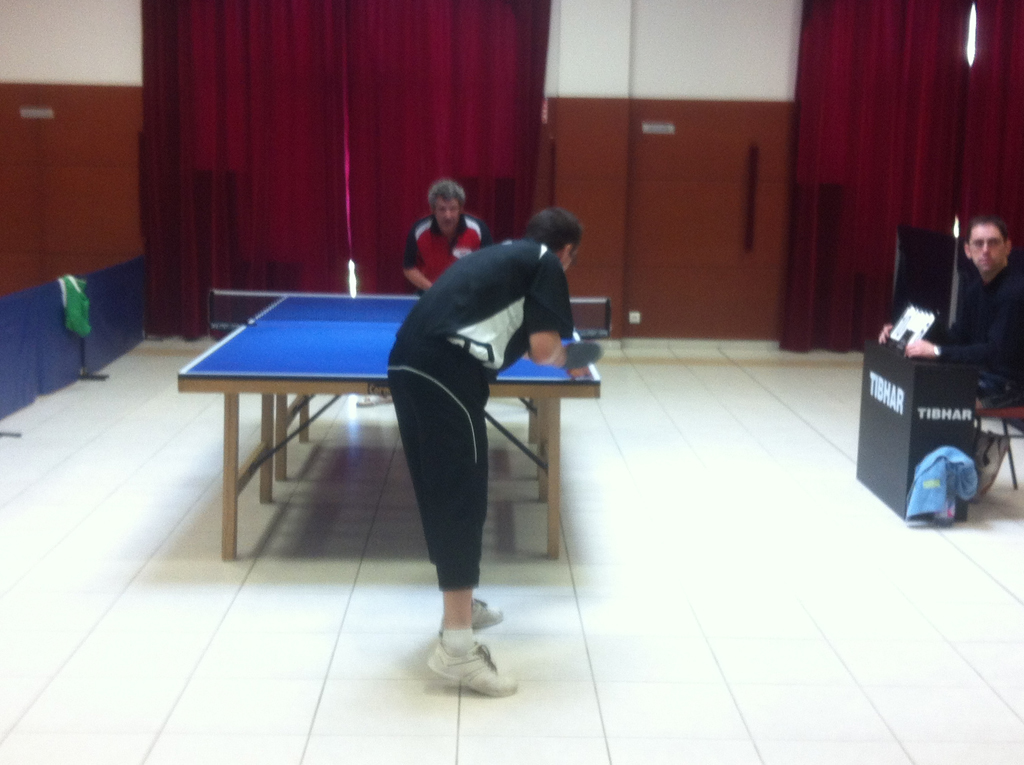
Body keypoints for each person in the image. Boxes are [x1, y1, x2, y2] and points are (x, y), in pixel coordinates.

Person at [386, 208, 600, 696]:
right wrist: (571, 358)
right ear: (567, 250)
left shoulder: (500, 257)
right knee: (462, 500)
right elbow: (543, 349)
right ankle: (457, 649)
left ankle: (461, 608)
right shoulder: (546, 261)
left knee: (443, 494)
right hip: (446, 372)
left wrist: (556, 355)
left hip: (406, 363)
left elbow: (516, 341)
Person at [880, 215, 1024, 493]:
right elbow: (958, 337)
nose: (985, 250)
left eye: (993, 243)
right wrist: (906, 332)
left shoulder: (1016, 293)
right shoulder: (975, 288)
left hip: (1011, 384)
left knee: (938, 394)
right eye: (978, 243)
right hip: (985, 373)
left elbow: (993, 353)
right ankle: (950, 464)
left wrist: (937, 351)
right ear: (967, 250)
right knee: (923, 380)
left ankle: (956, 470)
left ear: (1008, 247)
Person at [402, 178, 493, 292]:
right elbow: (409, 267)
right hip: (430, 293)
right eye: (442, 209)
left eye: (453, 209)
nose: (447, 216)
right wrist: (433, 289)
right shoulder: (418, 231)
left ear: (461, 209)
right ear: (433, 210)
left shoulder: (478, 229)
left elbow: (490, 265)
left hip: (468, 293)